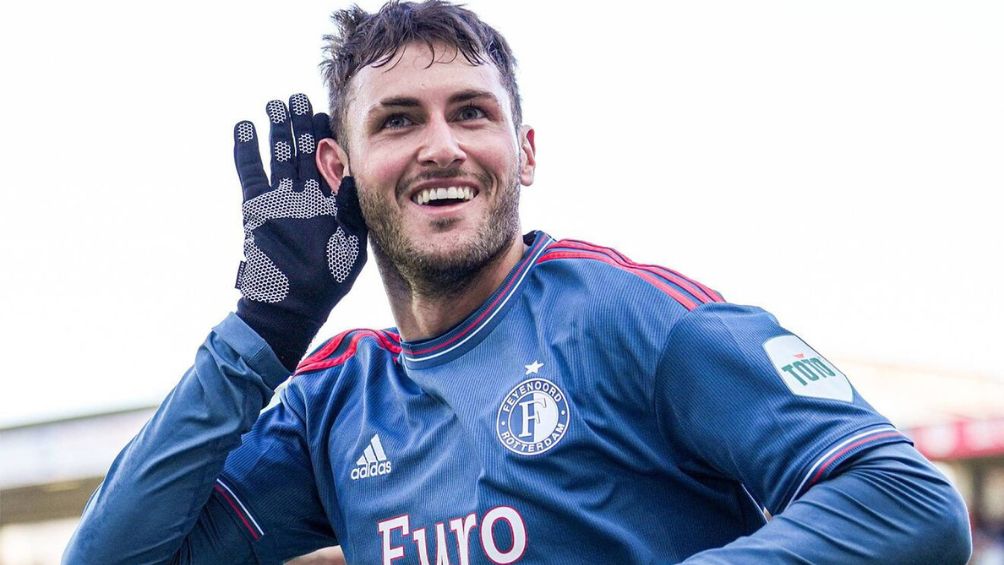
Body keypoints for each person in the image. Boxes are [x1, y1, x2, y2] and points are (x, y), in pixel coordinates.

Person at [64, 1, 972, 563]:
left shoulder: (630, 315)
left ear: (524, 150)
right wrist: (264, 328)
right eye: (398, 121)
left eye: (472, 112)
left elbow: (907, 500)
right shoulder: (334, 400)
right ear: (341, 169)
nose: (443, 145)